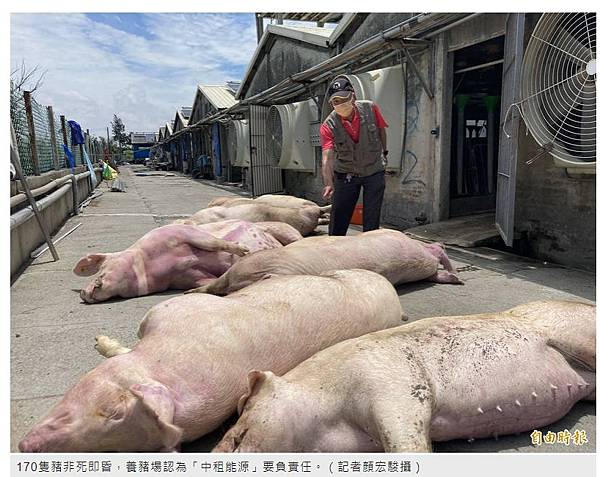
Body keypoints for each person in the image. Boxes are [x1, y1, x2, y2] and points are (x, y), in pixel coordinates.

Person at [320, 76, 389, 236]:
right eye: (335, 101)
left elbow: (381, 131)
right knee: (339, 217)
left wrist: (384, 154)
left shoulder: (370, 108)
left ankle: (369, 251)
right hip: (346, 173)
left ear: (353, 96)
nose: (340, 104)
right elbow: (327, 157)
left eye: (343, 99)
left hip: (374, 170)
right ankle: (335, 249)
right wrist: (328, 183)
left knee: (372, 219)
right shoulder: (328, 126)